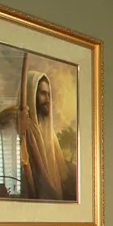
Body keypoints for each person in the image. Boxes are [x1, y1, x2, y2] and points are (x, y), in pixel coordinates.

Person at [18, 69, 71, 200]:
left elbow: (62, 171)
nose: (47, 99)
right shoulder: (23, 127)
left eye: (48, 94)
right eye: (43, 93)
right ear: (32, 94)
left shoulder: (50, 133)